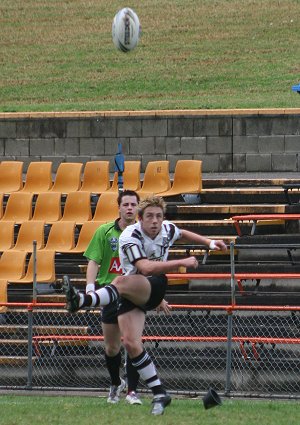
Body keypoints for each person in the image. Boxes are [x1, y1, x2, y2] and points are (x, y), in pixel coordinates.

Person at [63, 195, 227, 415]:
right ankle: (160, 393)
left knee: (119, 281)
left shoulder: (166, 229)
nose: (155, 221)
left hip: (155, 285)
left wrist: (209, 243)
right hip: (133, 293)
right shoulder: (130, 235)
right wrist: (182, 262)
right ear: (139, 219)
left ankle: (82, 300)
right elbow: (145, 267)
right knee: (130, 343)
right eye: (149, 216)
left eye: (158, 216)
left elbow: (181, 234)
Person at [83, 189, 142, 405]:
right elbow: (93, 261)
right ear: (119, 207)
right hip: (109, 293)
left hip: (133, 292)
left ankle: (133, 392)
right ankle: (116, 382)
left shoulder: (142, 234)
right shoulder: (105, 231)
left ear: (138, 208)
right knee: (111, 347)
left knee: (132, 342)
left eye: (133, 205)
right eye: (125, 204)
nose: (129, 208)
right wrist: (91, 288)